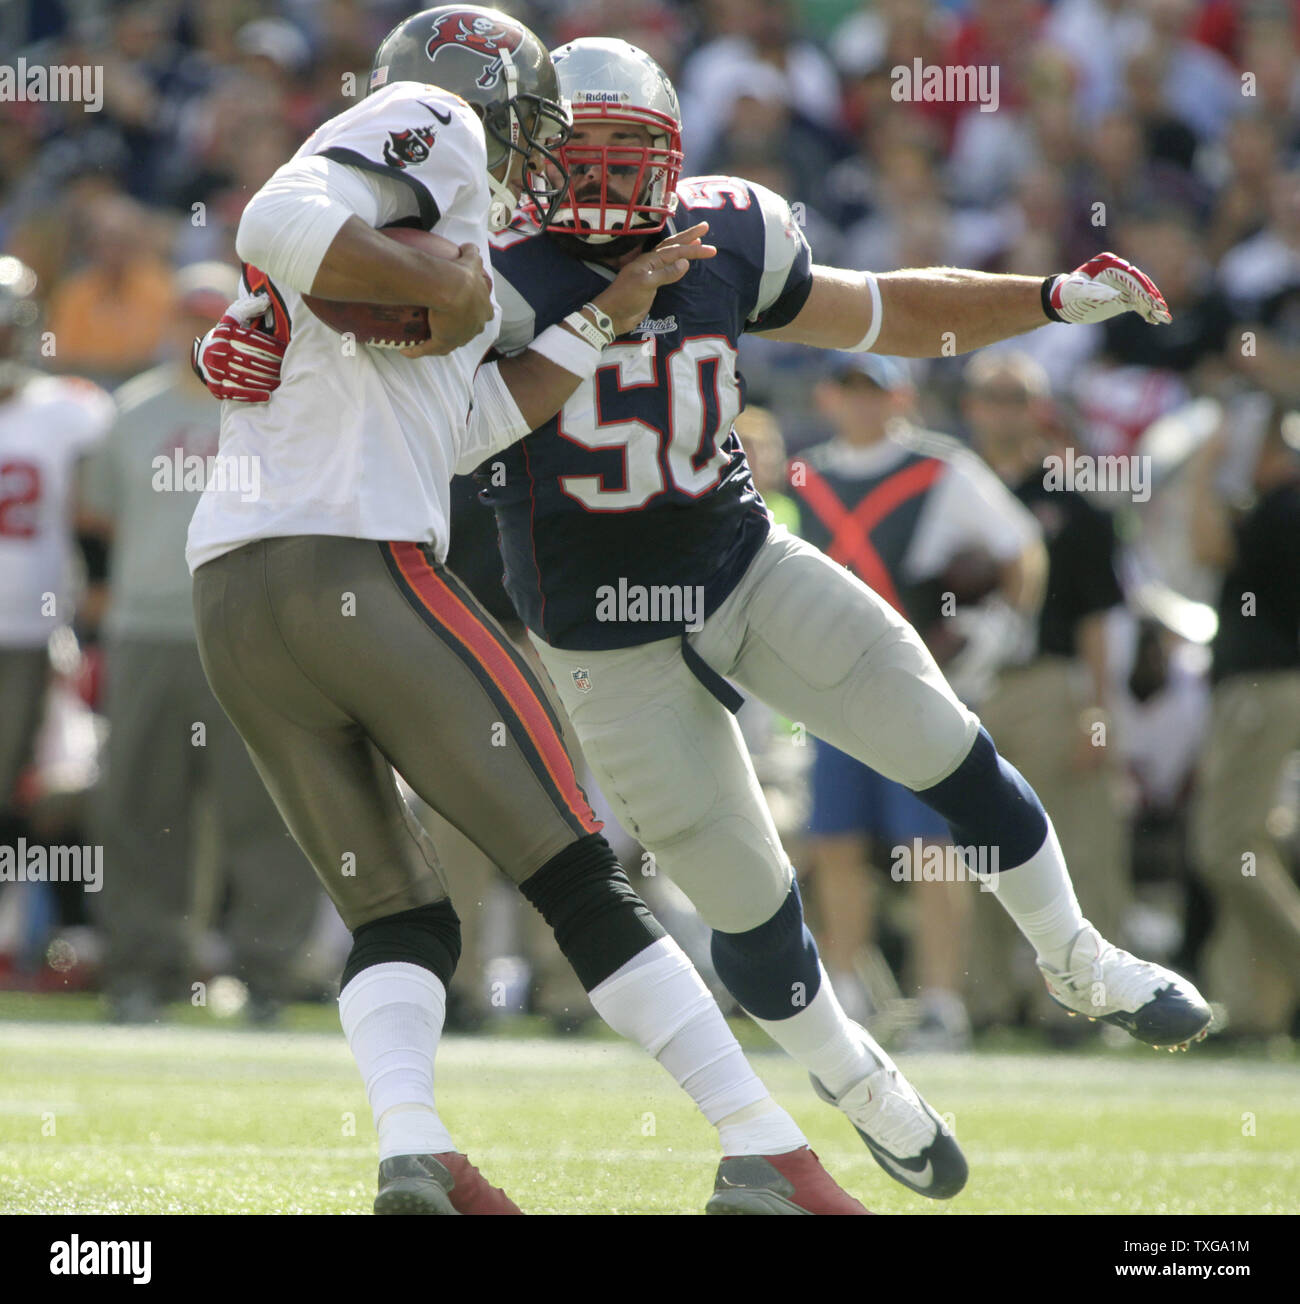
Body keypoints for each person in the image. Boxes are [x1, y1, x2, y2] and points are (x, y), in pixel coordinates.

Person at [206, 34, 1214, 1205]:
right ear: (528, 151)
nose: (593, 183)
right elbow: (361, 360)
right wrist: (252, 336)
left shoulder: (725, 227)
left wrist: (1040, 298)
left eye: (622, 155)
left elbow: (881, 311)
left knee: (940, 735)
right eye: (573, 155)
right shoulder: (481, 260)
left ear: (673, 152)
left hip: (742, 562)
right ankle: (859, 1078)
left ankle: (1078, 955)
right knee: (744, 892)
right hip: (596, 635)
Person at [187, 6, 865, 1216]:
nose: (535, 153)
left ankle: (415, 1153)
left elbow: (470, 423)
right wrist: (442, 291)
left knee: (401, 910)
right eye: (533, 123)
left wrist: (599, 316)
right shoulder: (436, 122)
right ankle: (765, 1145)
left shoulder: (424, 221)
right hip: (352, 566)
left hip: (235, 597)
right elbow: (271, 219)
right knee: (575, 869)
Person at [78, 261, 322, 1025]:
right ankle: (143, 968)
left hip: (252, 631)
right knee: (142, 807)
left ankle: (268, 972)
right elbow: (96, 523)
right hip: (148, 631)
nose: (201, 326)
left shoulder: (279, 407)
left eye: (217, 312)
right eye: (190, 313)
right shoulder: (131, 412)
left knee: (265, 809)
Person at [791, 351, 1045, 1050]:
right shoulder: (803, 474)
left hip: (916, 684)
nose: (862, 403)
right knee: (836, 842)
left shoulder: (941, 468)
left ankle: (940, 1002)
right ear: (828, 395)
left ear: (901, 396)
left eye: (874, 390)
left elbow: (1019, 548)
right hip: (829, 687)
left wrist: (1000, 633)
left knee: (928, 848)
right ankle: (844, 992)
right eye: (849, 389)